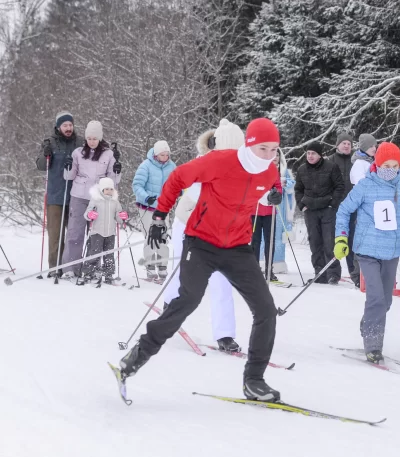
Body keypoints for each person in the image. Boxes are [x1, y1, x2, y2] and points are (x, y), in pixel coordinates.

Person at [118, 117, 284, 403]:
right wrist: (159, 215)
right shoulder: (219, 161)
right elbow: (178, 178)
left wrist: (274, 196)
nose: (269, 156)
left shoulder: (269, 171)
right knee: (188, 300)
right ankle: (138, 355)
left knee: (266, 309)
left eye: (274, 150)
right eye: (263, 149)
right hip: (202, 242)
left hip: (237, 247)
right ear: (250, 145)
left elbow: (270, 188)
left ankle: (254, 380)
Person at [334, 142, 400, 362]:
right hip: (367, 251)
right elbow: (344, 210)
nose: (390, 169)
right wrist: (341, 237)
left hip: (391, 251)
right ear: (377, 163)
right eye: (386, 164)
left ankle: (368, 323)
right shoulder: (365, 185)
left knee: (386, 302)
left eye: (394, 165)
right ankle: (373, 345)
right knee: (376, 299)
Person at [164, 120, 245, 352]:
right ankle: (170, 307)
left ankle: (225, 335)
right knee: (182, 271)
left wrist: (268, 197)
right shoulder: (203, 164)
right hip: (188, 223)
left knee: (222, 280)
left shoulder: (244, 167)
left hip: (220, 232)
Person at [62, 121, 120, 279]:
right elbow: (69, 176)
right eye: (89, 138)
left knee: (95, 235)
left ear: (100, 138)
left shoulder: (108, 154)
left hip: (99, 199)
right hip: (79, 196)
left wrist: (117, 170)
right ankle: (71, 267)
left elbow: (113, 181)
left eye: (95, 138)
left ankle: (90, 267)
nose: (92, 141)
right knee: (75, 233)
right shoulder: (78, 153)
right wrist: (67, 166)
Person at [294, 141, 345, 284]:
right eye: (308, 153)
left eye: (313, 153)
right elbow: (298, 189)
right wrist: (301, 204)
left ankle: (333, 274)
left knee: (329, 242)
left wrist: (332, 204)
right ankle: (320, 273)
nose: (310, 156)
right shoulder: (302, 169)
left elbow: (339, 187)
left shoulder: (331, 167)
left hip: (327, 209)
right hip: (310, 210)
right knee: (315, 243)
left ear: (320, 155)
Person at [36, 112, 79, 276]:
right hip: (55, 195)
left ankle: (72, 267)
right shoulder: (50, 142)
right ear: (58, 127)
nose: (68, 128)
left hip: (76, 195)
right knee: (55, 235)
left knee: (75, 234)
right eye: (65, 125)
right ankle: (55, 268)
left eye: (70, 125)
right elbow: (40, 165)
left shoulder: (80, 142)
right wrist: (46, 155)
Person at [132, 139, 177, 281]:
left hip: (164, 208)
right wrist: (146, 197)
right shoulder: (146, 166)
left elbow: (177, 183)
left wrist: (178, 191)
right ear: (156, 155)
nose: (165, 158)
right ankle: (150, 266)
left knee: (163, 237)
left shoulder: (172, 166)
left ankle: (162, 266)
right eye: (162, 155)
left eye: (167, 155)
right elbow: (137, 185)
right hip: (148, 208)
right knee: (150, 237)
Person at [82, 177, 127, 284]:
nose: (109, 191)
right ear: (102, 189)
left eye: (111, 189)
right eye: (107, 189)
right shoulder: (96, 200)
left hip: (110, 233)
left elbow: (118, 216)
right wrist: (90, 215)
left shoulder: (115, 202)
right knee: (94, 253)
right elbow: (87, 213)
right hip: (97, 232)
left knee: (109, 254)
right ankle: (89, 272)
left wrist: (122, 217)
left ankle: (108, 274)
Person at [330, 130, 359, 285]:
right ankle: (333, 273)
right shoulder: (330, 161)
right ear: (338, 145)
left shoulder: (356, 161)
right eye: (344, 143)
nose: (347, 146)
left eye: (349, 144)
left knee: (352, 240)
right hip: (335, 206)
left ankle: (355, 273)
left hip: (353, 207)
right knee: (335, 239)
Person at [251, 169, 284, 281]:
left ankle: (269, 270)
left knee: (270, 241)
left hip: (270, 211)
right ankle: (254, 270)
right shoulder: (254, 167)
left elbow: (278, 186)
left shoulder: (273, 170)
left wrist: (277, 194)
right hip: (254, 210)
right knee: (255, 241)